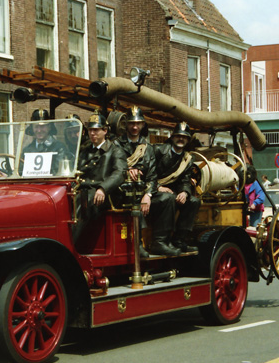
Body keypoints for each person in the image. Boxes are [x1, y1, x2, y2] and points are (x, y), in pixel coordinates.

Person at [114, 106, 180, 256]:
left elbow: (151, 175)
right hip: (123, 191)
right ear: (126, 125)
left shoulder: (147, 147)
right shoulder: (116, 144)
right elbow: (113, 168)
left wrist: (148, 195)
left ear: (143, 124)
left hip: (143, 191)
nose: (135, 127)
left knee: (167, 198)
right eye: (131, 123)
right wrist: (126, 171)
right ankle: (136, 244)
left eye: (138, 123)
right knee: (133, 199)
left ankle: (160, 242)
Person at [73, 112, 127, 250]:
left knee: (83, 199)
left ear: (105, 130)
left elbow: (119, 173)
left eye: (96, 130)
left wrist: (103, 188)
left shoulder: (115, 151)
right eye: (91, 130)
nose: (92, 133)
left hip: (106, 194)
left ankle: (69, 246)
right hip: (84, 189)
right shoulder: (84, 151)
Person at [154, 122, 201, 252]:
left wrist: (185, 193)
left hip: (171, 194)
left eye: (184, 137)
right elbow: (149, 173)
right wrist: (157, 187)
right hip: (152, 193)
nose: (181, 139)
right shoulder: (158, 150)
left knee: (193, 201)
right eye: (178, 136)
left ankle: (179, 240)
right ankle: (160, 241)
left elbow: (185, 180)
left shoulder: (187, 159)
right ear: (172, 137)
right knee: (168, 198)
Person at [22, 109, 72, 175]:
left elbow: (57, 173)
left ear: (49, 127)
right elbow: (21, 172)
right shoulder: (27, 150)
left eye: (42, 126)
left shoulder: (59, 148)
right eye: (36, 127)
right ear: (32, 128)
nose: (39, 130)